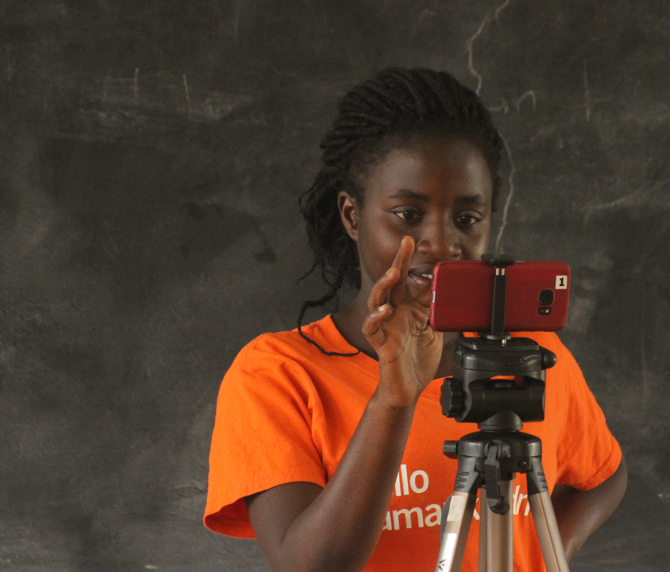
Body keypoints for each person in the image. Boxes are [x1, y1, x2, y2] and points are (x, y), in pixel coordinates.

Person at [203, 67, 627, 572]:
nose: (443, 243)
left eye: (468, 219)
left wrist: (541, 550)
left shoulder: (526, 356)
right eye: (408, 214)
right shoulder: (278, 373)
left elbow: (606, 475)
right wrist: (395, 397)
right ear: (352, 215)